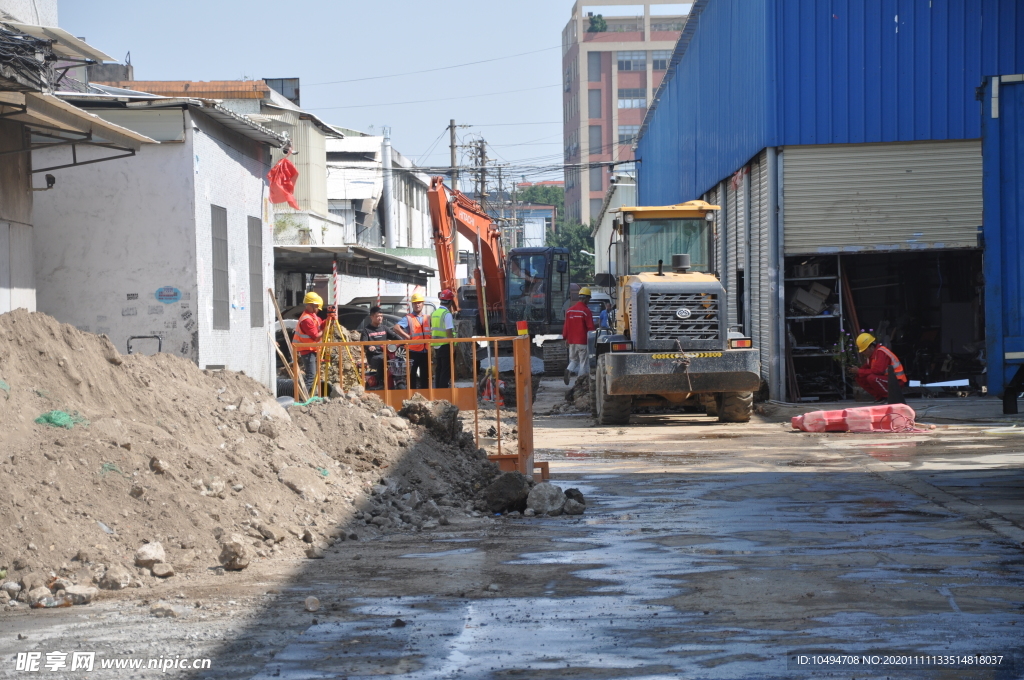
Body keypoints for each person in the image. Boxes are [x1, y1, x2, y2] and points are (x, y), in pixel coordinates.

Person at [848, 332, 908, 402]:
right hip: (888, 379)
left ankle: (889, 397)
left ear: (872, 347)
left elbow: (878, 371)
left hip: (897, 381)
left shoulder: (881, 352)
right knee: (860, 377)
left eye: (864, 350)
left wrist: (859, 371)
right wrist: (856, 371)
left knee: (872, 378)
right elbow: (866, 368)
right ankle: (880, 397)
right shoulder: (871, 356)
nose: (863, 353)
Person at [393, 292, 431, 390]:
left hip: (425, 351)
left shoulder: (427, 318)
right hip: (413, 351)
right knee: (412, 375)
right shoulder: (409, 318)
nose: (417, 305)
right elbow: (396, 327)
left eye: (419, 302)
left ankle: (425, 394)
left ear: (423, 304)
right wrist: (407, 336)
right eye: (415, 303)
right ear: (412, 304)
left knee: (425, 375)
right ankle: (412, 394)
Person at [359, 306, 401, 388]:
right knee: (382, 360)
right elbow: (363, 343)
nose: (380, 318)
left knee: (398, 359)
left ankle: (400, 379)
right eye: (377, 316)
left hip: (386, 353)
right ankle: (381, 381)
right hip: (373, 356)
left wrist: (404, 342)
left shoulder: (384, 328)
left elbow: (394, 336)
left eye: (381, 316)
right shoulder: (366, 330)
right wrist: (369, 346)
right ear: (371, 317)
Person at [292, 291, 324, 396]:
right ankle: (302, 396)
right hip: (307, 350)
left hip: (312, 349)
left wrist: (328, 320)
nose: (318, 309)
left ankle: (309, 394)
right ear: (310, 305)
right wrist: (325, 330)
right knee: (311, 375)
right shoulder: (306, 319)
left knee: (313, 374)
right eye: (317, 306)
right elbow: (315, 336)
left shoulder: (313, 316)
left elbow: (320, 325)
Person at [562, 286, 596, 385]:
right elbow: (590, 327)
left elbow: (566, 326)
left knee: (573, 360)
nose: (588, 301)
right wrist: (593, 340)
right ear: (586, 298)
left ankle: (568, 369)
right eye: (589, 299)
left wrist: (565, 338)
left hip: (571, 341)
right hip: (582, 341)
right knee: (583, 362)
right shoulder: (586, 311)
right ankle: (580, 383)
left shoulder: (569, 311)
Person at [430, 289, 457, 388]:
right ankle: (443, 389)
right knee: (446, 369)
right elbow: (449, 332)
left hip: (436, 345)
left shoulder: (434, 313)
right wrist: (453, 346)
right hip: (445, 345)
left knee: (439, 368)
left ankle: (438, 389)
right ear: (450, 302)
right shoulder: (446, 314)